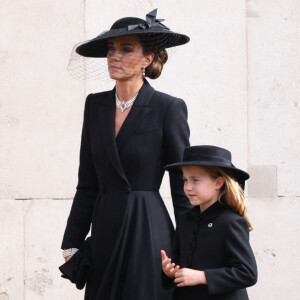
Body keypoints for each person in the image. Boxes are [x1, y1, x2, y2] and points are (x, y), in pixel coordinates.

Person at [60, 9, 192, 300]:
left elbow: (184, 186)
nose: (114, 56)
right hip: (104, 227)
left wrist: (189, 248)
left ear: (148, 59)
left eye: (126, 49)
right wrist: (71, 243)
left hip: (148, 230)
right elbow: (87, 182)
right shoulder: (95, 105)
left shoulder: (168, 108)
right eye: (111, 49)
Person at [162, 145, 257, 300]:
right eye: (185, 180)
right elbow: (181, 264)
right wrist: (169, 272)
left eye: (195, 180)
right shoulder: (186, 220)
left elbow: (247, 273)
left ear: (218, 183)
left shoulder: (231, 222)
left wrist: (202, 276)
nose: (188, 187)